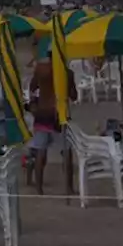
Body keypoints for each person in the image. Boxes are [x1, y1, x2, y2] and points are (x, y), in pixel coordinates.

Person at [25, 59, 75, 195]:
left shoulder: (40, 70)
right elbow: (73, 95)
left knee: (41, 151)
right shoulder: (67, 73)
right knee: (67, 152)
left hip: (42, 114)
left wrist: (35, 104)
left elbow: (32, 89)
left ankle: (39, 188)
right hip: (59, 115)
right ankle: (69, 187)